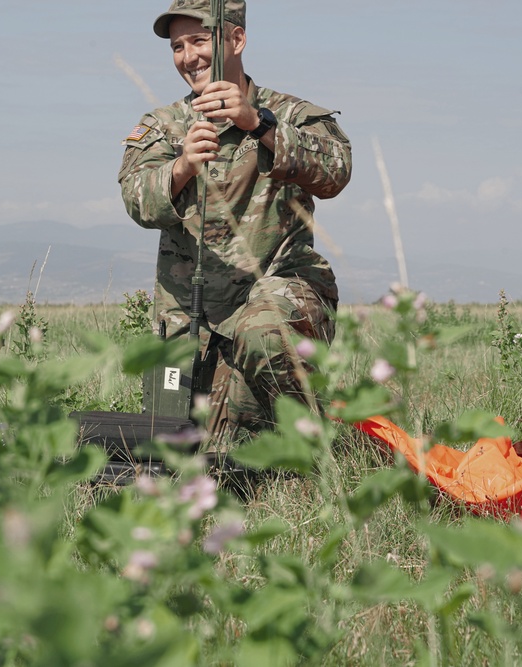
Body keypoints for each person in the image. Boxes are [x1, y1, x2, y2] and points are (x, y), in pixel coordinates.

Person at [118, 0, 352, 441]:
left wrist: (258, 124)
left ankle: (319, 453)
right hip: (194, 323)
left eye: (200, 41)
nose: (189, 57)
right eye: (177, 46)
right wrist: (182, 166)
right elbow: (135, 200)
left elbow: (337, 170)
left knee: (262, 334)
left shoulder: (290, 114)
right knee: (194, 454)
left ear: (236, 39)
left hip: (276, 301)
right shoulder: (163, 126)